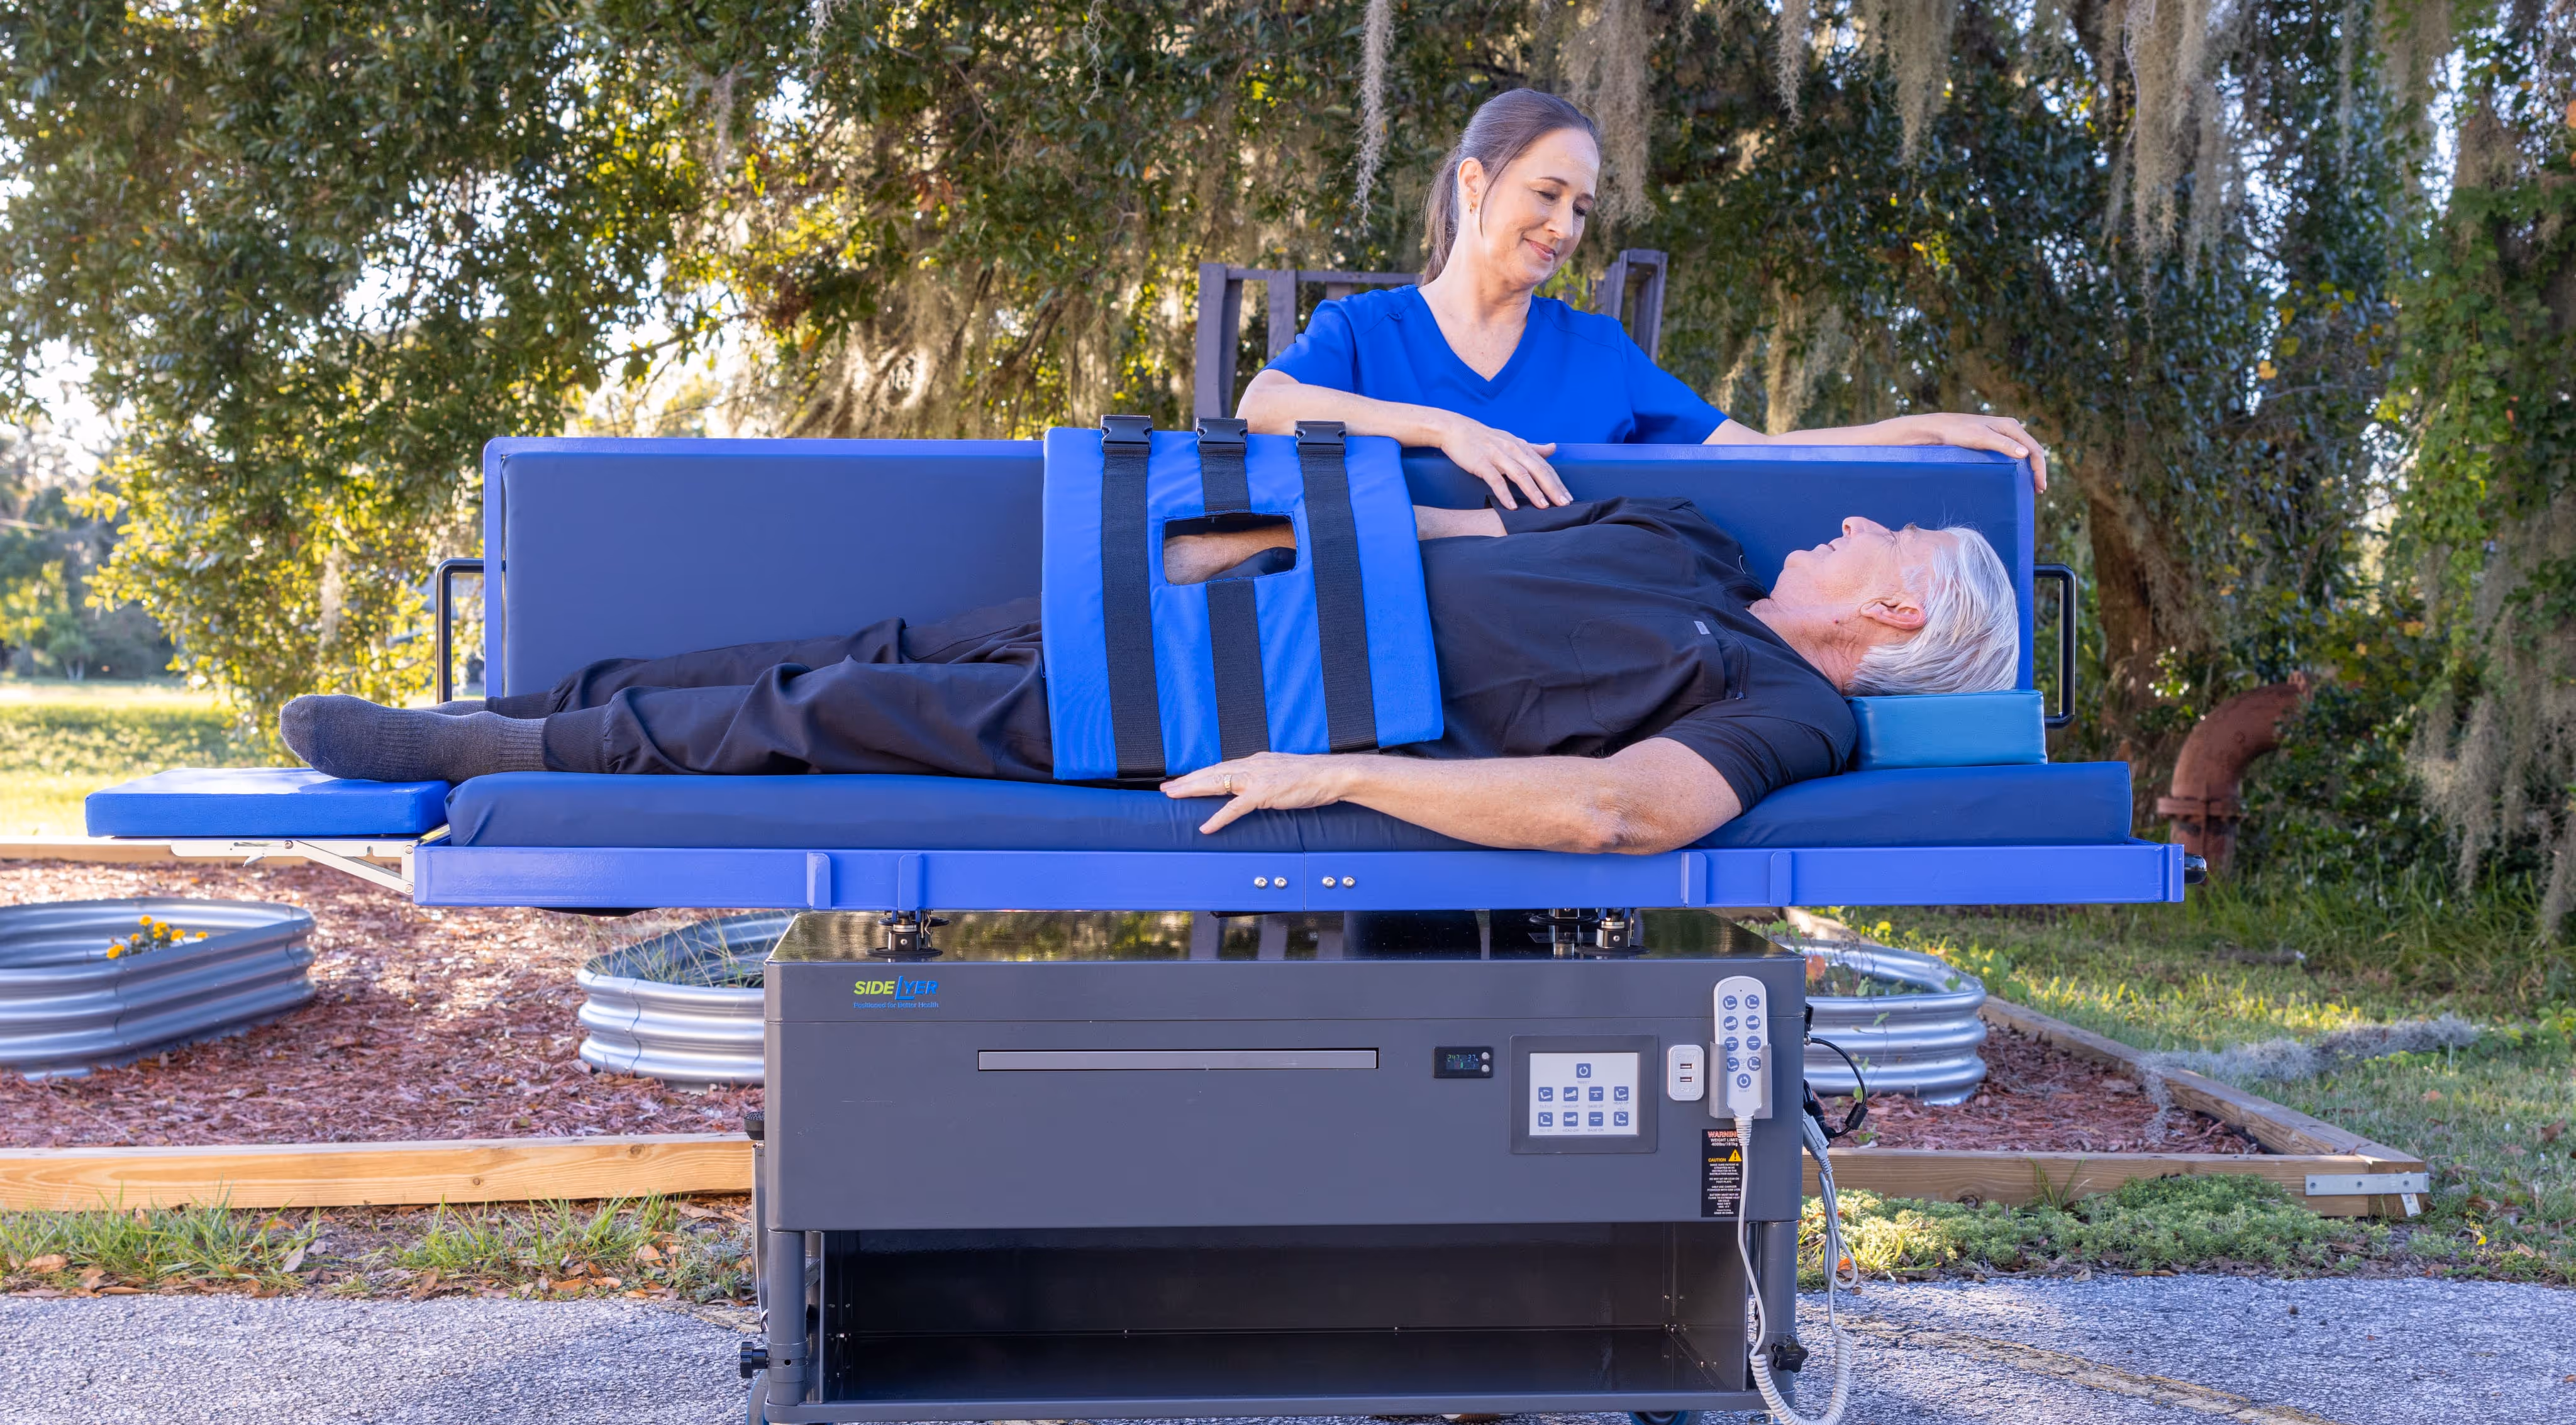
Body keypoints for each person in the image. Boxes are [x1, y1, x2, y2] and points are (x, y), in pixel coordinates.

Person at [282, 502, 2019, 857]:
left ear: (1893, 622)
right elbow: (1418, 518)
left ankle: (482, 750)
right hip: (1187, 610)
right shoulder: (1694, 539)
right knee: (860, 654)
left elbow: (1617, 813)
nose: (1854, 514)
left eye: (1894, 532)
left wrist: (1334, 774)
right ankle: (517, 718)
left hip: (1218, 723)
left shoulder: (1803, 709)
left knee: (825, 718)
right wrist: (1198, 548)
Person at [1236, 88, 2051, 509]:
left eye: (1582, 209)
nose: (1563, 226)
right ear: (1474, 182)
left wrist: (1926, 429)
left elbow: (1762, 453)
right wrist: (1450, 430)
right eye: (1548, 193)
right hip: (1389, 662)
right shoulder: (1363, 331)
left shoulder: (1598, 354)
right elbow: (1261, 407)